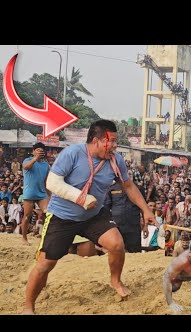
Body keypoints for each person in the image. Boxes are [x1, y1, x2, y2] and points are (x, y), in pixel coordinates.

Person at [22, 120, 159, 314]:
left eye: (115, 142)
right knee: (45, 264)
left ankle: (115, 280)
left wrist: (146, 210)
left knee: (116, 244)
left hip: (94, 214)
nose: (114, 146)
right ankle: (28, 306)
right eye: (110, 141)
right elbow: (52, 183)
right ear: (96, 140)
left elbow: (128, 186)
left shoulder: (116, 160)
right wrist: (80, 197)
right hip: (62, 216)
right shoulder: (72, 154)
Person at [21, 143, 50, 245]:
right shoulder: (27, 160)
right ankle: (24, 238)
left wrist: (50, 196)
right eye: (37, 150)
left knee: (49, 214)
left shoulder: (46, 165)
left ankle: (46, 237)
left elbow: (46, 182)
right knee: (27, 216)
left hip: (42, 193)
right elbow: (26, 167)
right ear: (33, 151)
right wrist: (35, 158)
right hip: (29, 193)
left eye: (41, 151)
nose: (39, 152)